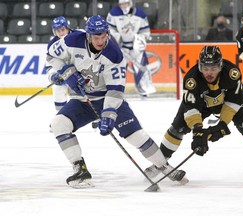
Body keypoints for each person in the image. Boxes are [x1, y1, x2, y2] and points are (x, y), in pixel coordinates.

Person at [46, 15, 187, 188]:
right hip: (82, 100)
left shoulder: (114, 54)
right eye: (96, 37)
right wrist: (67, 73)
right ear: (88, 36)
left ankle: (163, 166)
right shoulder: (72, 40)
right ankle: (79, 168)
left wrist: (108, 115)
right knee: (58, 123)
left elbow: (115, 89)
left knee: (136, 136)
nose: (100, 40)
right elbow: (52, 57)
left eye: (103, 35)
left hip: (107, 98)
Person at [145, 46, 243, 184]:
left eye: (213, 68)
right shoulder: (192, 79)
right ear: (200, 66)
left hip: (229, 100)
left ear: (220, 66)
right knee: (177, 128)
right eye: (205, 68)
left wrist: (221, 125)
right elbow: (192, 109)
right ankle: (160, 163)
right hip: (202, 104)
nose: (209, 72)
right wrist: (198, 131)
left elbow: (233, 102)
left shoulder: (232, 73)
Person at [106, 0, 156, 98]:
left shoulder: (140, 14)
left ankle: (144, 91)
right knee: (118, 69)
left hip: (135, 47)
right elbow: (109, 29)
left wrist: (139, 40)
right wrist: (117, 39)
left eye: (126, 4)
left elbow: (145, 31)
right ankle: (116, 91)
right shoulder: (113, 13)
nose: (124, 6)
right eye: (122, 4)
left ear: (130, 3)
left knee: (141, 66)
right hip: (120, 47)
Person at [47, 16, 72, 111]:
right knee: (58, 88)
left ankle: (97, 117)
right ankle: (61, 115)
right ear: (54, 32)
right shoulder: (52, 46)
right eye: (58, 31)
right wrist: (53, 76)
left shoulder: (77, 36)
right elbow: (49, 66)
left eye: (63, 29)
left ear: (67, 28)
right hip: (66, 73)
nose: (61, 33)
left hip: (83, 72)